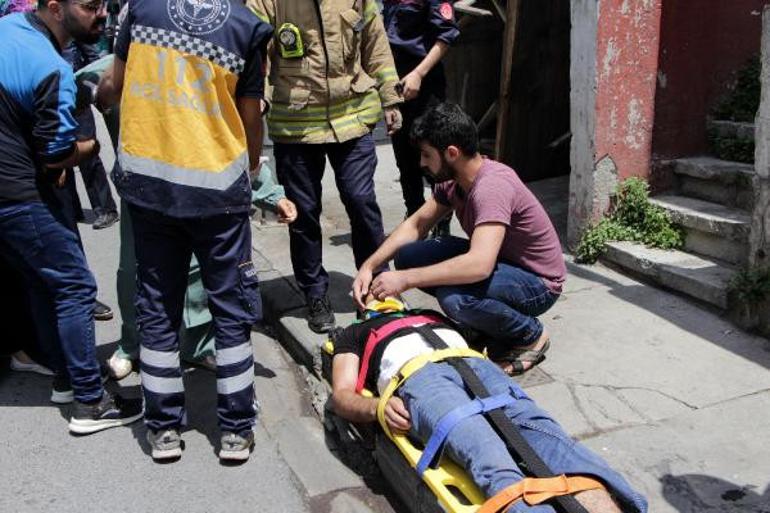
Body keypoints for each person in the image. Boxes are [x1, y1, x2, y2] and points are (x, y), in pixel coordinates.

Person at [97, 0, 297, 461]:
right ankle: (235, 430)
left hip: (151, 189)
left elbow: (116, 84)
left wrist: (99, 98)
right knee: (229, 310)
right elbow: (251, 116)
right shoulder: (247, 28)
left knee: (157, 307)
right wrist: (249, 170)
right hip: (217, 195)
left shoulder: (141, 10)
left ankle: (163, 429)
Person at [331, 299, 648, 513]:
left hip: (478, 367)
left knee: (553, 442)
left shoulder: (435, 315)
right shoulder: (355, 333)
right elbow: (341, 395)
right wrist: (377, 409)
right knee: (488, 455)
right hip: (420, 377)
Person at [0, 0, 142, 434]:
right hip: (18, 194)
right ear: (56, 8)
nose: (101, 14)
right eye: (89, 6)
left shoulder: (8, 28)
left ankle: (64, 377)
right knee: (76, 287)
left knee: (43, 281)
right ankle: (89, 401)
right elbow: (55, 157)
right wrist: (91, 148)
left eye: (103, 4)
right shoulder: (52, 69)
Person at [352, 103, 566, 376]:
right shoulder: (454, 180)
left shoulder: (491, 186)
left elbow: (479, 265)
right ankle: (484, 324)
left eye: (427, 155)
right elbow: (417, 224)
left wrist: (405, 280)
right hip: (502, 263)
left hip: (538, 283)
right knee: (408, 256)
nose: (422, 163)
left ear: (451, 153)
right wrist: (370, 265)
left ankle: (531, 335)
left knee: (455, 299)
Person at [247, 0, 404, 334]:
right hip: (296, 124)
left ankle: (378, 283)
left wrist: (390, 97)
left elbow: (376, 43)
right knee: (303, 213)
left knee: (361, 200)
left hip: (354, 115)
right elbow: (255, 52)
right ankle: (315, 294)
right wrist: (255, 99)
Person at [383, 0, 459, 238]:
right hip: (394, 81)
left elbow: (446, 35)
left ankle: (442, 218)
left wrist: (418, 73)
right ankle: (414, 215)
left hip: (424, 82)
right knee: (404, 157)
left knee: (433, 155)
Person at [63, 40, 120, 230]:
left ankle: (106, 209)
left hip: (78, 97)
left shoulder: (71, 29)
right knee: (63, 154)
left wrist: (102, 96)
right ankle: (72, 209)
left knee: (88, 156)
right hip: (55, 99)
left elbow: (96, 64)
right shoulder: (39, 32)